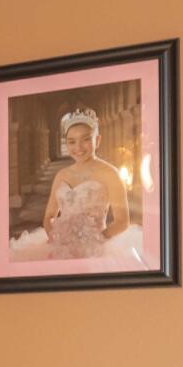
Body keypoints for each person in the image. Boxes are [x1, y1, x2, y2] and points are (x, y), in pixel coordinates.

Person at [41, 107, 130, 259]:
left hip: (96, 248)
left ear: (98, 140)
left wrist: (94, 240)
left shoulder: (110, 174)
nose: (78, 148)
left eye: (86, 139)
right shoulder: (61, 175)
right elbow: (49, 216)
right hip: (62, 247)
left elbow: (122, 221)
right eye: (71, 142)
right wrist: (56, 237)